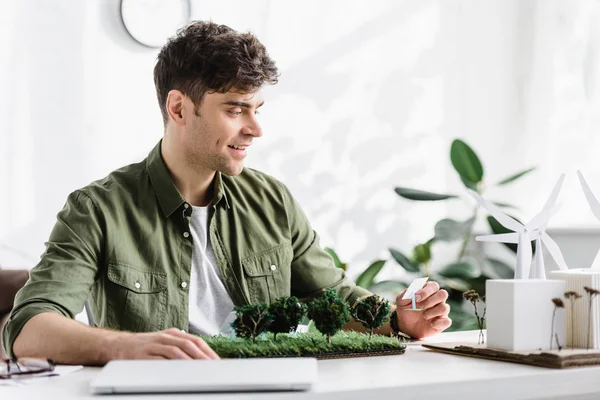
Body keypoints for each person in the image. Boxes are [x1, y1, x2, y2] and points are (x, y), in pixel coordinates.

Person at [2, 21, 451, 364]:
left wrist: (398, 320)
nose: (255, 129)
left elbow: (334, 299)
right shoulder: (98, 209)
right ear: (178, 107)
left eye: (256, 109)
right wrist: (126, 346)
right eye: (235, 110)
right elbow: (26, 328)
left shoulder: (272, 201)